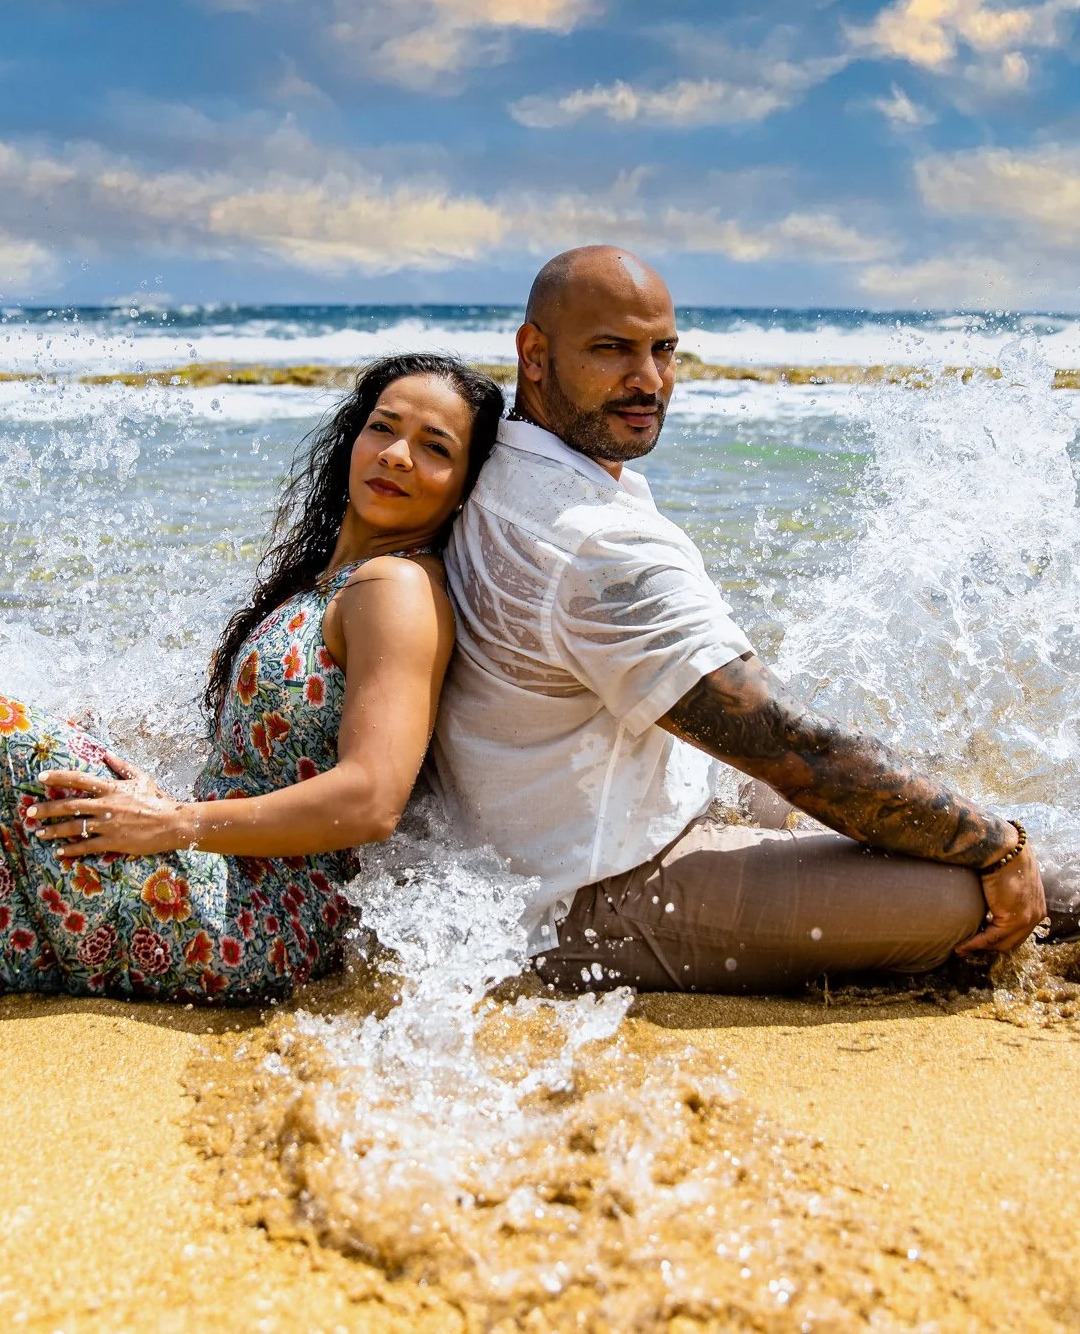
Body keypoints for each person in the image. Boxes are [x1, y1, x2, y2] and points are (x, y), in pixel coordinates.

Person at [0, 353, 503, 1007]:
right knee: (19, 777)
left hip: (259, 921)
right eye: (384, 428)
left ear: (464, 490)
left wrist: (176, 824)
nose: (398, 455)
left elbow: (371, 798)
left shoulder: (395, 589)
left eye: (435, 448)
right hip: (225, 878)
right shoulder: (334, 581)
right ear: (354, 438)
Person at [433, 247, 1046, 994]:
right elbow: (783, 741)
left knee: (920, 808)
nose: (648, 380)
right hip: (586, 895)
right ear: (534, 354)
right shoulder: (589, 539)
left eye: (663, 350)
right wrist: (996, 847)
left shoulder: (493, 471)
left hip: (571, 828)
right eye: (612, 350)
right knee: (967, 894)